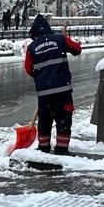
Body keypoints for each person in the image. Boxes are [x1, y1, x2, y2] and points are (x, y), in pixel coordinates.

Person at [25, 14, 82, 154]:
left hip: (44, 92)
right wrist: (65, 42)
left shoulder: (32, 47)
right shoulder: (60, 39)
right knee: (63, 119)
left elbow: (28, 69)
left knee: (45, 119)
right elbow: (77, 49)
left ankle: (43, 147)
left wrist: (41, 76)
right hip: (63, 89)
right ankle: (62, 148)